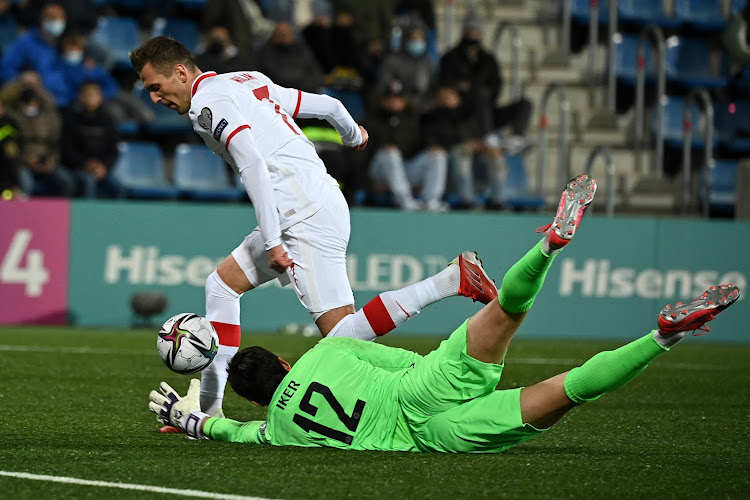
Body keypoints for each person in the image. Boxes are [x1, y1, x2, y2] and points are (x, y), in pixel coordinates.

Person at [150, 175, 742, 453]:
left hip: (432, 437)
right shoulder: (326, 350)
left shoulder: (275, 432)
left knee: (570, 390)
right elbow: (366, 339)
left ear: (257, 400)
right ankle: (548, 245)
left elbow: (227, 429)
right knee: (509, 306)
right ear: (282, 358)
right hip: (428, 386)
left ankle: (662, 337)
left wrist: (190, 419)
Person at [130, 36, 498, 429]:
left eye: (156, 87)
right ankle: (210, 409)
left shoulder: (207, 103)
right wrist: (352, 132)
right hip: (312, 202)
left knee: (341, 340)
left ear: (181, 72)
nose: (154, 98)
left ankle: (451, 280)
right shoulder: (245, 80)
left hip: (298, 217)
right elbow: (329, 105)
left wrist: (273, 242)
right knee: (222, 285)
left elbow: (252, 164)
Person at [440, 12, 532, 154]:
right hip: (464, 114)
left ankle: (517, 138)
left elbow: (496, 86)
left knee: (524, 104)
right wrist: (472, 90)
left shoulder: (488, 60)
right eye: (471, 31)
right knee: (480, 93)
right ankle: (487, 136)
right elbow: (449, 85)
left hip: (488, 110)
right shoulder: (451, 57)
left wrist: (471, 87)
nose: (474, 35)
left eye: (476, 31)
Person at [363, 80, 448, 211]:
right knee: (390, 153)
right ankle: (403, 199)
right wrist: (367, 184)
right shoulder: (370, 120)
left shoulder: (413, 120)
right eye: (390, 99)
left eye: (398, 99)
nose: (395, 102)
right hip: (378, 173)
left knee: (438, 155)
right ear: (382, 100)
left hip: (405, 169)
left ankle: (432, 200)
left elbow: (419, 147)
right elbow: (360, 156)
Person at [0, 2, 70, 106]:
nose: (56, 22)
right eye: (51, 17)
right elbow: (6, 68)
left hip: (65, 104)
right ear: (42, 19)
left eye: (60, 18)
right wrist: (22, 78)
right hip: (33, 102)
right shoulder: (26, 42)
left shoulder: (70, 43)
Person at [61, 80, 122, 198]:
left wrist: (104, 167)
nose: (91, 98)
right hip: (78, 169)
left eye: (94, 94)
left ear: (101, 97)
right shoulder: (72, 121)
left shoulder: (107, 121)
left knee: (117, 186)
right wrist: (85, 164)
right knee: (88, 182)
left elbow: (113, 150)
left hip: (102, 168)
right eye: (88, 94)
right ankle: (88, 215)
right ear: (80, 97)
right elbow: (67, 150)